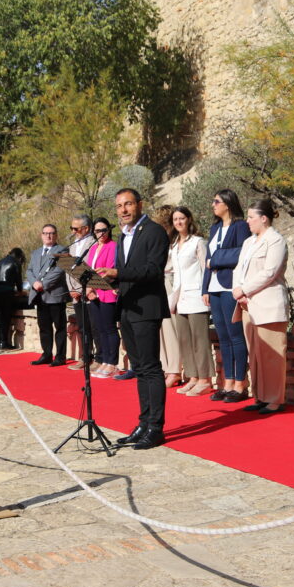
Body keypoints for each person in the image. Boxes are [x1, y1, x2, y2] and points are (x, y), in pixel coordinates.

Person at [96, 188, 170, 450]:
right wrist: (110, 277)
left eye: (128, 204)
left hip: (146, 308)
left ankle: (156, 427)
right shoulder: (123, 237)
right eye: (119, 206)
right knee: (138, 369)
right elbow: (126, 272)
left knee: (150, 367)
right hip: (127, 307)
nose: (123, 210)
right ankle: (143, 422)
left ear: (139, 204)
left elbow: (152, 270)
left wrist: (118, 271)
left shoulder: (154, 232)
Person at [232, 199, 290, 414]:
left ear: (263, 218)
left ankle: (275, 398)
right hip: (248, 305)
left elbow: (270, 272)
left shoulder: (276, 240)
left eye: (251, 217)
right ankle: (260, 396)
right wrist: (238, 291)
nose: (247, 221)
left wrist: (245, 290)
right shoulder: (249, 242)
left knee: (272, 354)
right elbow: (238, 269)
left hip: (268, 304)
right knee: (255, 354)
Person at [202, 189, 251, 402]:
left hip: (231, 286)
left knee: (235, 336)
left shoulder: (240, 226)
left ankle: (240, 384)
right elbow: (207, 260)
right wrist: (204, 288)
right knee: (223, 338)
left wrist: (216, 261)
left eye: (217, 201)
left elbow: (242, 253)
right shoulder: (214, 229)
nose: (213, 204)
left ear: (228, 204)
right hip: (214, 288)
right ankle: (227, 382)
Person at [168, 207, 214, 396]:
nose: (178, 222)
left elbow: (206, 268)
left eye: (182, 218)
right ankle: (192, 376)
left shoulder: (198, 242)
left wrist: (206, 291)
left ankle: (205, 379)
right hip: (180, 298)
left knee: (200, 339)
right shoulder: (173, 246)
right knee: (185, 340)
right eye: (175, 219)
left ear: (189, 220)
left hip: (197, 296)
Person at [25, 225, 68, 366]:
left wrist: (43, 284)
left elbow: (59, 271)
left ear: (56, 235)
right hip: (39, 295)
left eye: (51, 233)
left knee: (59, 327)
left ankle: (60, 357)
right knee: (44, 327)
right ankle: (46, 354)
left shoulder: (62, 250)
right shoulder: (36, 253)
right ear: (41, 235)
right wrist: (34, 283)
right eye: (46, 233)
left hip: (55, 295)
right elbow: (29, 270)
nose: (48, 236)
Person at [84, 220, 120, 377]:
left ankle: (112, 362)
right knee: (99, 328)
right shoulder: (92, 249)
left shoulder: (113, 246)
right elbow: (89, 270)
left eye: (103, 230)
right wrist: (88, 288)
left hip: (106, 292)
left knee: (109, 328)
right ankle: (104, 359)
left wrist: (94, 286)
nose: (100, 233)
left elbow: (110, 270)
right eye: (97, 230)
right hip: (94, 293)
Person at [153, 205, 183, 387]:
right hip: (160, 282)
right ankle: (165, 367)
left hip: (171, 283)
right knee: (162, 328)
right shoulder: (165, 240)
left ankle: (174, 370)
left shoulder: (178, 241)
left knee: (171, 329)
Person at [65, 215, 96, 370]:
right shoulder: (72, 245)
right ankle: (85, 356)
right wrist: (71, 288)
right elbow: (69, 269)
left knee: (92, 326)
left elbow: (90, 269)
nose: (73, 231)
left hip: (88, 292)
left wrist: (82, 289)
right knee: (82, 326)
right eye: (72, 228)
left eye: (76, 229)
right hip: (75, 294)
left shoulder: (93, 243)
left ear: (86, 229)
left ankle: (94, 357)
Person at [0, 247, 26, 350]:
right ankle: (3, 342)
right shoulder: (16, 263)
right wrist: (20, 291)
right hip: (7, 292)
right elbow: (18, 279)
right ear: (19, 256)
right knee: (5, 318)